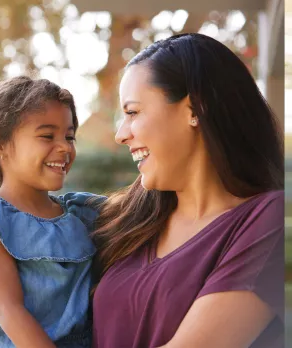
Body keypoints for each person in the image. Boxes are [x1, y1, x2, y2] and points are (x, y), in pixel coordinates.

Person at [92, 33, 284, 348]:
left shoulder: (268, 221)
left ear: (195, 108)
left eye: (133, 112)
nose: (120, 134)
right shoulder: (128, 219)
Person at [0, 76, 103, 348]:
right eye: (47, 136)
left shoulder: (82, 213)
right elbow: (11, 311)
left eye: (69, 136)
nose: (66, 147)